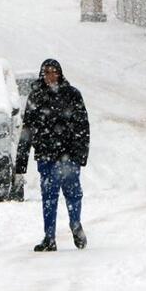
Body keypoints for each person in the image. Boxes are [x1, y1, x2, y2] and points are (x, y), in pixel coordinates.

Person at [16, 58, 90, 252]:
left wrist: (81, 154)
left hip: (69, 156)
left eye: (54, 72)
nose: (50, 76)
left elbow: (83, 125)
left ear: (60, 73)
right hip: (46, 156)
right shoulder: (36, 97)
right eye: (47, 72)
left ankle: (75, 224)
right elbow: (28, 129)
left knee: (73, 194)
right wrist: (21, 161)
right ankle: (49, 237)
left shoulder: (72, 95)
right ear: (42, 75)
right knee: (49, 197)